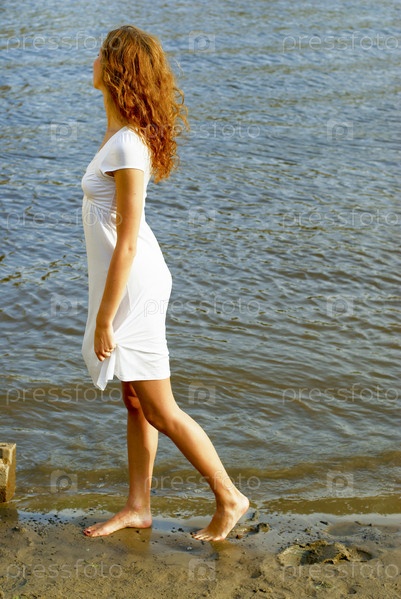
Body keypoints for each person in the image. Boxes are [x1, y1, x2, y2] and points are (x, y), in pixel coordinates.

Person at [81, 25, 249, 542]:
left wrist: (105, 317)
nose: (92, 60)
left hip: (135, 285)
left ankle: (229, 496)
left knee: (159, 406)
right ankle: (139, 506)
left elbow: (128, 242)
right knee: (135, 401)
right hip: (125, 280)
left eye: (100, 54)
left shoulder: (128, 147)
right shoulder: (119, 137)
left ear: (116, 71)